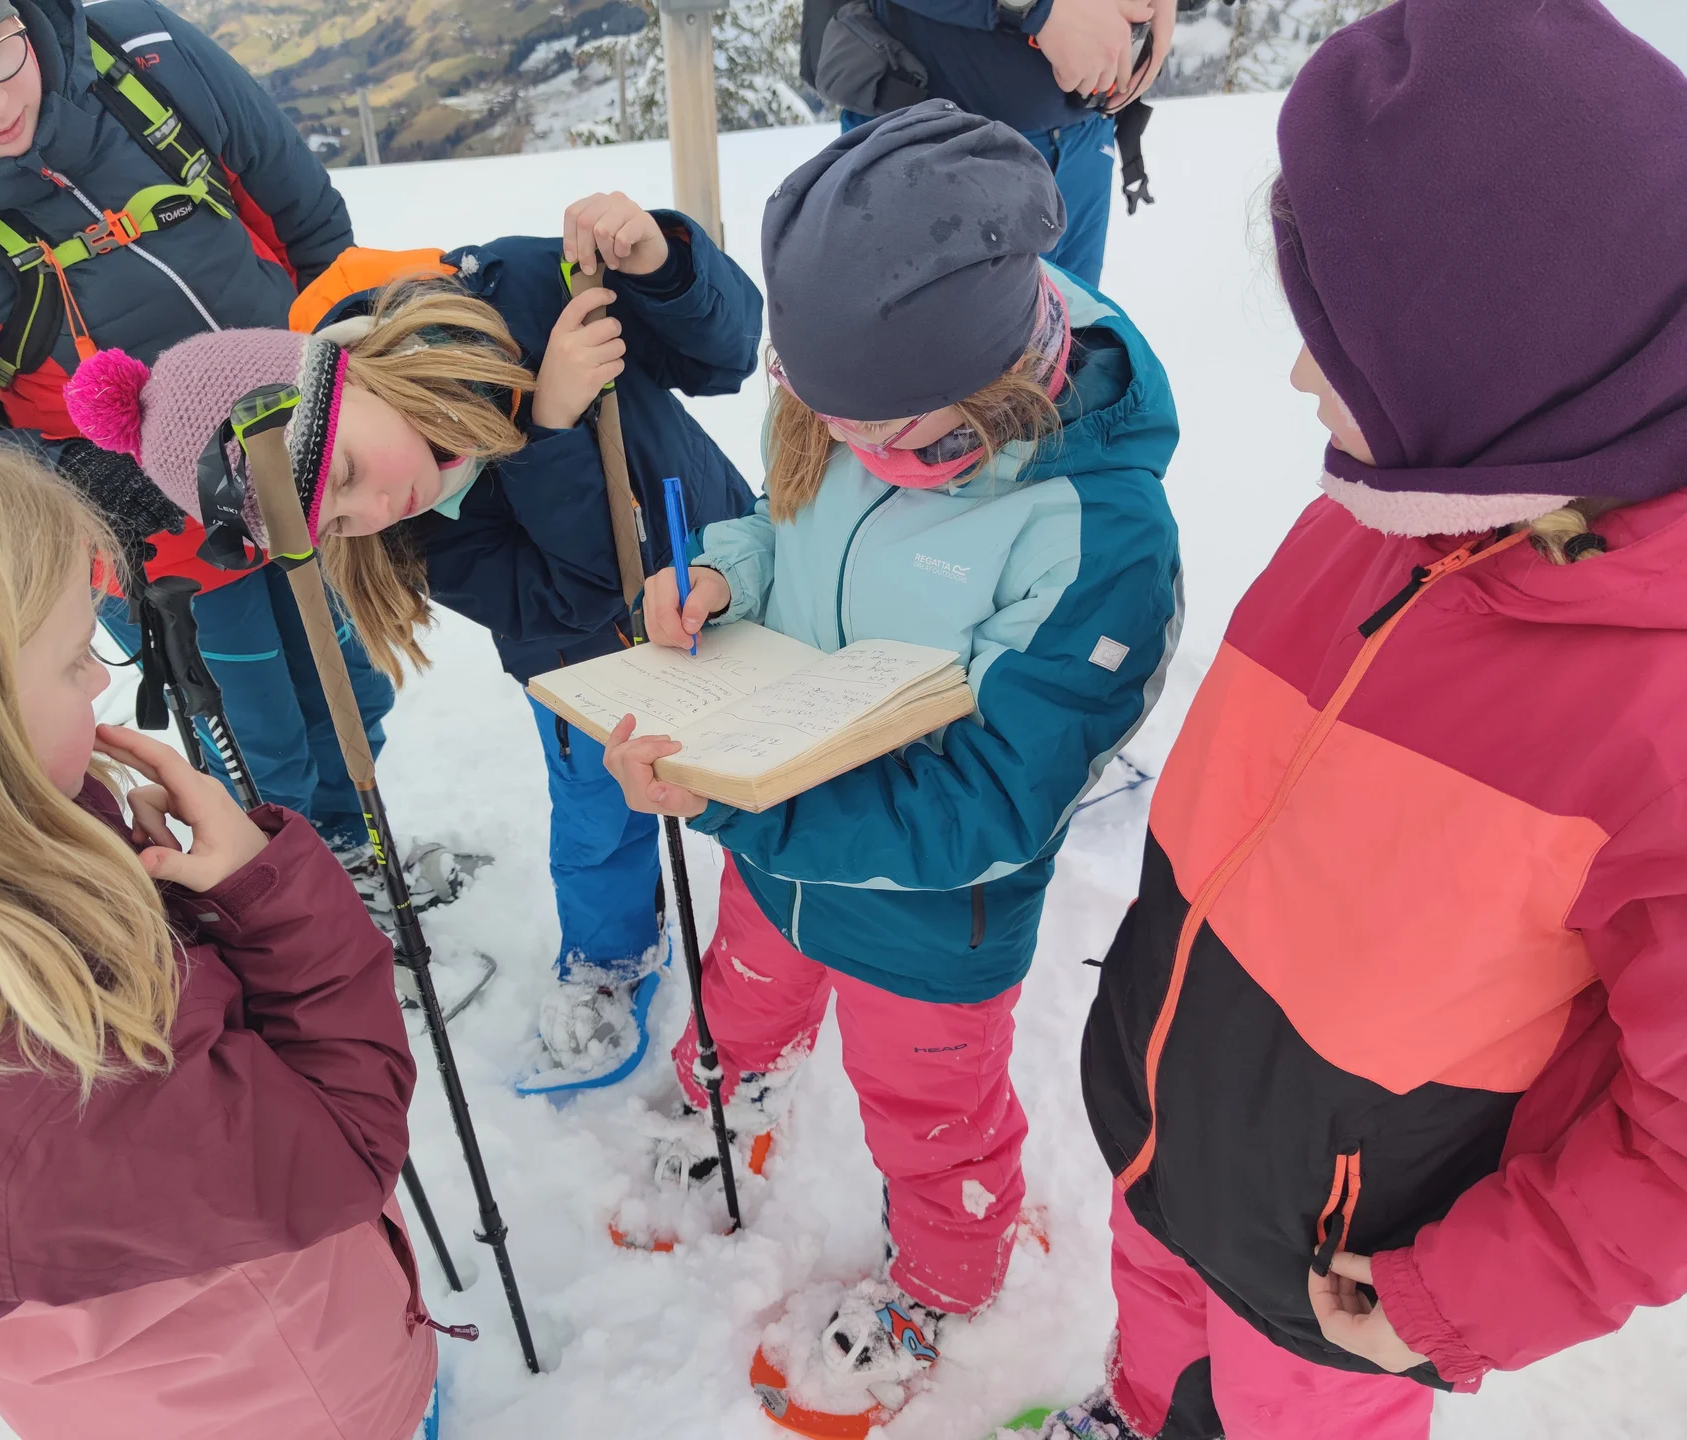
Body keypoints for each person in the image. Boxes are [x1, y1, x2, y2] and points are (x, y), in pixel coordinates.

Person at [1026, 3, 1687, 1437]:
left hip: (1346, 1276)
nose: (1299, 379)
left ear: (1499, 355)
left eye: (1342, 340)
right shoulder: (1400, 509)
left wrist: (1463, 1298)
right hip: (1179, 1133)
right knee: (1163, 1334)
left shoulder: (1660, 707)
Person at [601, 101, 1181, 1408]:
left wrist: (745, 805)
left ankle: (948, 1276)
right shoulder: (853, 398)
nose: (860, 456)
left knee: (930, 1108)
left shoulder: (1096, 535)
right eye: (832, 424)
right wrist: (723, 577)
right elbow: (787, 530)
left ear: (1002, 377)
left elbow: (997, 799)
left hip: (933, 913)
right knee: (749, 982)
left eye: (907, 446)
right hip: (780, 846)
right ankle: (737, 1089)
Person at [0, 424, 434, 1440]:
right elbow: (343, 1143)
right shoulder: (43, 1075)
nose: (97, 684)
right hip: (296, 1396)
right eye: (74, 657)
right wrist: (264, 893)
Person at [61, 191, 763, 1086]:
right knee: (597, 826)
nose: (375, 509)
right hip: (586, 674)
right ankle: (609, 958)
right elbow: (576, 593)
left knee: (769, 794)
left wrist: (661, 263)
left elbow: (724, 354)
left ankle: (774, 964)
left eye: (347, 472)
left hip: (735, 589)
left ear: (345, 377)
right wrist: (545, 431)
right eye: (334, 523)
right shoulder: (413, 533)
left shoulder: (513, 295)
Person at [0, 0, 445, 920]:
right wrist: (74, 484)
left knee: (350, 695)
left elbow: (312, 229)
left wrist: (355, 385)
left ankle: (350, 855)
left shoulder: (145, 58)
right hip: (161, 548)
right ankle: (284, 902)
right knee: (258, 741)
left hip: (317, 485)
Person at [817, 0, 1180, 287]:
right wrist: (1033, 5)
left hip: (1085, 140)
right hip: (935, 147)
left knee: (1070, 343)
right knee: (937, 352)